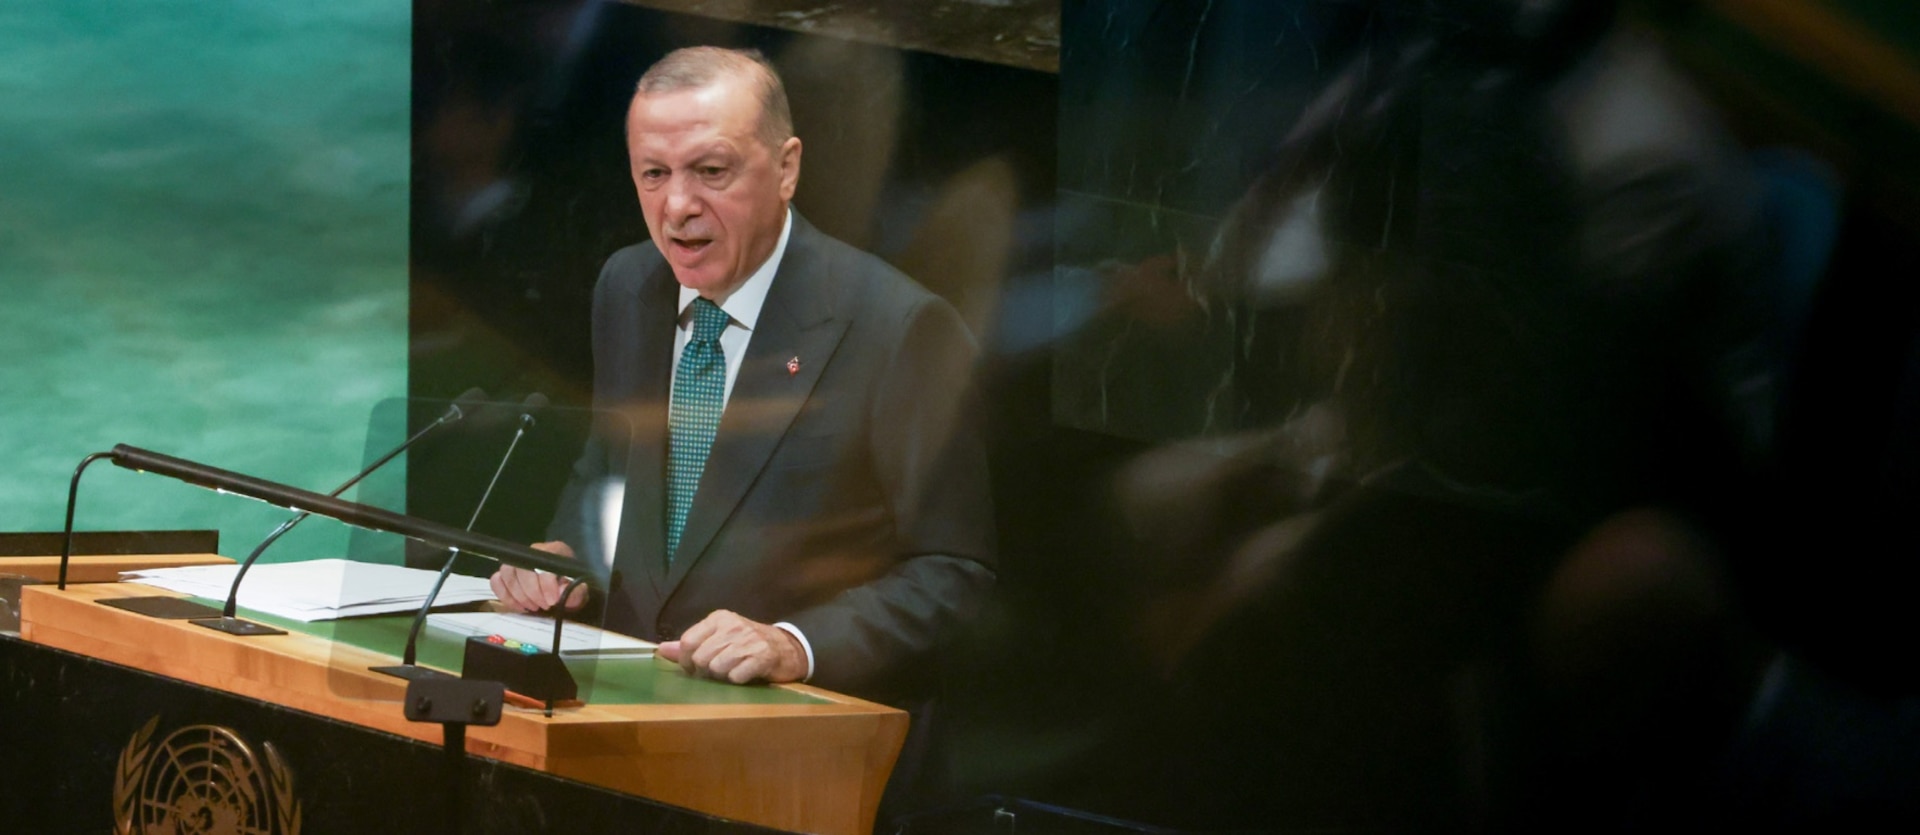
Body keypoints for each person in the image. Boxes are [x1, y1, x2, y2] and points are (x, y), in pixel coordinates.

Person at [489, 46, 996, 701]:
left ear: (787, 167)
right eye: (652, 173)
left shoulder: (896, 328)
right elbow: (609, 468)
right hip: (620, 710)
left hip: (797, 741)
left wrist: (795, 643)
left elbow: (951, 567)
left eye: (710, 170)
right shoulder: (627, 285)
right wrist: (565, 561)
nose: (677, 206)